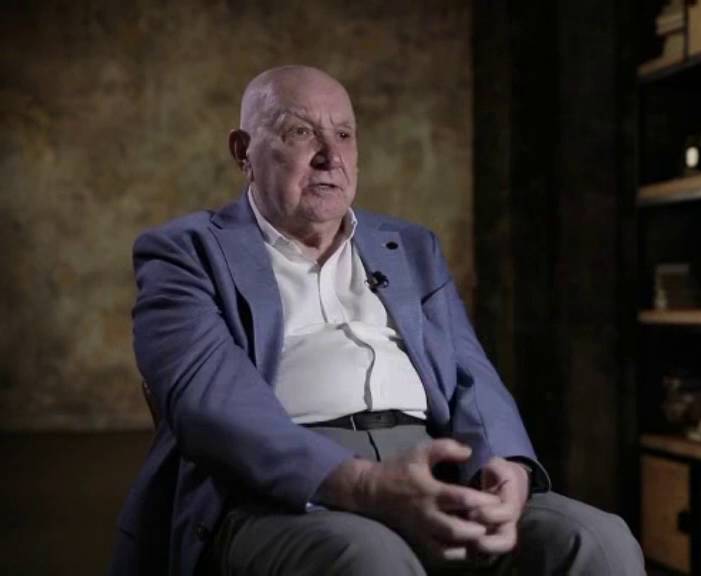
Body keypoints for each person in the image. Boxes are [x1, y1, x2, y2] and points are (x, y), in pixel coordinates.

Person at [110, 65, 645, 575]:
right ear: (243, 151)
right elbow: (212, 407)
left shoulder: (411, 247)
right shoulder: (186, 252)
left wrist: (506, 464)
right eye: (300, 132)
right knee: (366, 560)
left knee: (595, 540)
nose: (330, 156)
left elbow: (470, 376)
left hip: (432, 468)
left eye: (344, 135)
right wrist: (366, 485)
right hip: (280, 490)